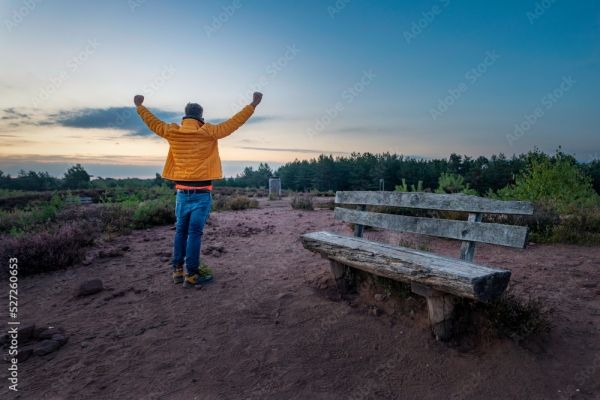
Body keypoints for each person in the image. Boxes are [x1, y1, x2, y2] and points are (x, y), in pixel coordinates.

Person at [133, 92, 263, 289]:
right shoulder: (209, 131)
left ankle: (177, 271)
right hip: (202, 194)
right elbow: (234, 123)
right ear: (201, 119)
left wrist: (140, 106)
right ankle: (192, 275)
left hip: (181, 195)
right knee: (194, 233)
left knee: (180, 232)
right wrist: (253, 104)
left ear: (184, 117)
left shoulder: (172, 131)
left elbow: (153, 123)